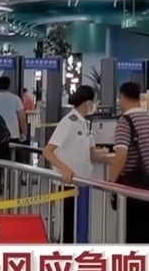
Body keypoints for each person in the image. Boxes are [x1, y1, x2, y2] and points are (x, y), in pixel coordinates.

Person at [44, 86, 104, 243]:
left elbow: (92, 153)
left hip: (83, 181)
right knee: (69, 225)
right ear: (86, 103)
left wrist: (115, 159)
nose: (95, 105)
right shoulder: (68, 122)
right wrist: (65, 169)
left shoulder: (85, 123)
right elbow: (48, 151)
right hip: (68, 183)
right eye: (94, 101)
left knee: (82, 224)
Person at [108, 81, 149, 243]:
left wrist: (111, 181)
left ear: (122, 97)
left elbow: (121, 154)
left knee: (132, 234)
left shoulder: (125, 121)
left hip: (132, 187)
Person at [0, 76, 28, 161]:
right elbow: (22, 117)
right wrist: (24, 133)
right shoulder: (15, 99)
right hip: (13, 134)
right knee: (14, 159)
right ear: (9, 85)